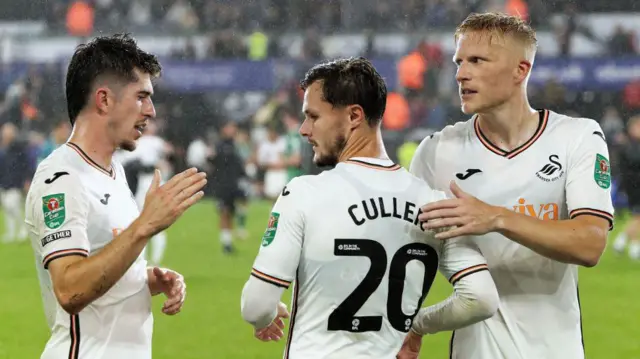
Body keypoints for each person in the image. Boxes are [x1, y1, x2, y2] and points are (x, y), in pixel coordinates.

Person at [240, 57, 499, 359]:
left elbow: (256, 305)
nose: (303, 129)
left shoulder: (304, 193)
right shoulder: (433, 203)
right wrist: (417, 326)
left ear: (353, 116)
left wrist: (266, 316)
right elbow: (481, 299)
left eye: (313, 117)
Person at [404, 13, 613, 359]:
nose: (461, 73)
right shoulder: (436, 152)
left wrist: (497, 218)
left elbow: (590, 243)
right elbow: (409, 259)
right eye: (459, 62)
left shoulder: (577, 138)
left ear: (521, 70)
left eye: (477, 61)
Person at [24, 34, 207, 359]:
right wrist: (144, 226)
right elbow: (70, 289)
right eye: (141, 97)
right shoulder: (62, 179)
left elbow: (106, 271)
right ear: (104, 100)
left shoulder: (113, 172)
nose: (150, 110)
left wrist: (148, 280)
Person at [132, 120, 174, 266]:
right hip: (157, 180)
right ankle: (155, 261)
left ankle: (141, 261)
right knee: (157, 223)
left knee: (140, 222)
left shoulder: (139, 141)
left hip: (144, 181)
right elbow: (170, 152)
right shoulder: (157, 142)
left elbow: (132, 161)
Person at [209, 120, 246, 254]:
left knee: (234, 211)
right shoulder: (219, 146)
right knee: (224, 213)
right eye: (230, 127)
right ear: (224, 129)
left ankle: (234, 236)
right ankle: (226, 243)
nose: (232, 130)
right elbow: (214, 162)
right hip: (223, 185)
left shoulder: (236, 145)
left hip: (234, 183)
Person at [612, 115, 640, 260]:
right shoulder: (628, 146)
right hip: (634, 186)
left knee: (637, 216)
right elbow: (632, 164)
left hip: (634, 184)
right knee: (637, 215)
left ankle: (627, 244)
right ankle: (623, 243)